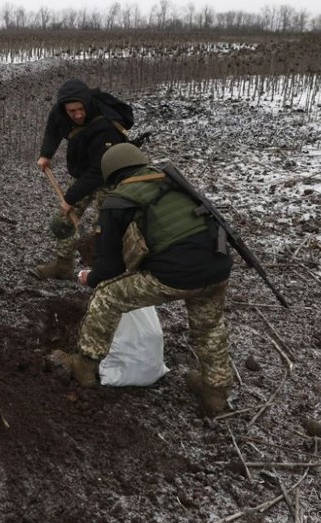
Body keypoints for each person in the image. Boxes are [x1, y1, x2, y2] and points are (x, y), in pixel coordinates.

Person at [53, 143, 235, 416]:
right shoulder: (174, 184)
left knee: (108, 295)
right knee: (208, 328)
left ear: (111, 175)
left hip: (177, 274)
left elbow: (109, 267)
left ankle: (84, 366)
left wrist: (90, 278)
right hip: (217, 267)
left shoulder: (117, 201)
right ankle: (215, 392)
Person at [34, 78, 133, 280]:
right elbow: (53, 126)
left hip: (108, 178)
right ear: (64, 109)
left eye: (81, 109)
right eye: (72, 111)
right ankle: (63, 267)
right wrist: (46, 154)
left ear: (87, 104)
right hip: (83, 173)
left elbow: (98, 171)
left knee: (104, 232)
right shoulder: (60, 110)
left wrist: (69, 199)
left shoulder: (106, 126)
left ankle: (104, 277)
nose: (78, 115)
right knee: (61, 222)